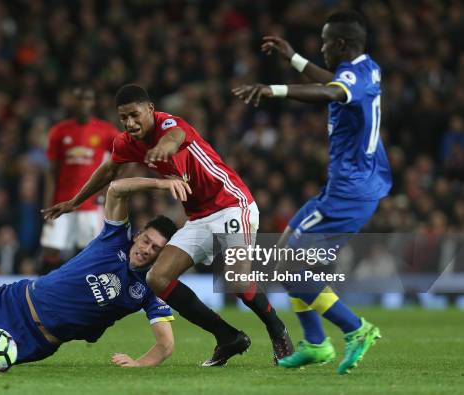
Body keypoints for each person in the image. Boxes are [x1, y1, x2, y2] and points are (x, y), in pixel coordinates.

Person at [43, 84, 293, 366]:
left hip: (232, 203)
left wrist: (162, 148)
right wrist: (75, 201)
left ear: (150, 109)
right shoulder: (127, 142)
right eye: (123, 117)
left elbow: (176, 137)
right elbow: (109, 171)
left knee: (235, 278)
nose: (130, 123)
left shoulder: (169, 124)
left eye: (135, 115)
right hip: (199, 217)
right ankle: (228, 337)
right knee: (157, 278)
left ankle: (278, 331)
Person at [233, 10, 391, 374]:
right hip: (348, 185)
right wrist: (294, 58)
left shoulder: (351, 76)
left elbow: (329, 91)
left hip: (350, 191)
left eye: (323, 42)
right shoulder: (368, 68)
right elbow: (337, 83)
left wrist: (274, 90)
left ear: (340, 44)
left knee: (291, 265)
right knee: (285, 254)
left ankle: (357, 329)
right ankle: (317, 343)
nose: (320, 48)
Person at [0, 177, 188, 368]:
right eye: (146, 240)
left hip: (39, 340)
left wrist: (138, 364)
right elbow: (115, 188)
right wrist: (162, 184)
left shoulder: (150, 288)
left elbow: (166, 345)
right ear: (138, 235)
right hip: (17, 299)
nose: (148, 249)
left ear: (162, 255)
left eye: (157, 249)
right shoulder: (114, 238)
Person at [41, 85, 120, 272]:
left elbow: (126, 159)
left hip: (90, 203)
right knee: (50, 248)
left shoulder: (106, 131)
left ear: (93, 102)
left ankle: (80, 295)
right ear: (72, 102)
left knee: (86, 251)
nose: (83, 103)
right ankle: (43, 292)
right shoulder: (59, 131)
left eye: (87, 99)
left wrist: (106, 188)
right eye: (79, 99)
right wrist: (47, 200)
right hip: (61, 200)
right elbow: (52, 171)